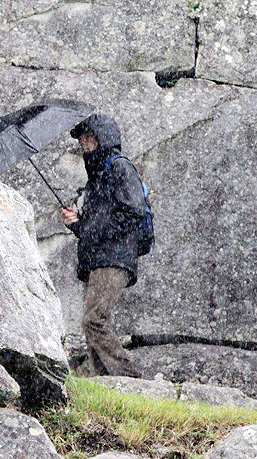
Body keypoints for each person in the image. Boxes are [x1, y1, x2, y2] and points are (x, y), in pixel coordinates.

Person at [62, 113, 145, 377]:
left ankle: (128, 377)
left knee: (94, 320)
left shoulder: (119, 167)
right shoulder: (96, 178)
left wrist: (92, 228)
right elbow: (95, 228)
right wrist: (77, 224)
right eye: (82, 140)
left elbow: (133, 211)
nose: (84, 144)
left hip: (114, 259)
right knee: (93, 323)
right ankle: (102, 381)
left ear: (103, 139)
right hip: (99, 259)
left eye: (89, 138)